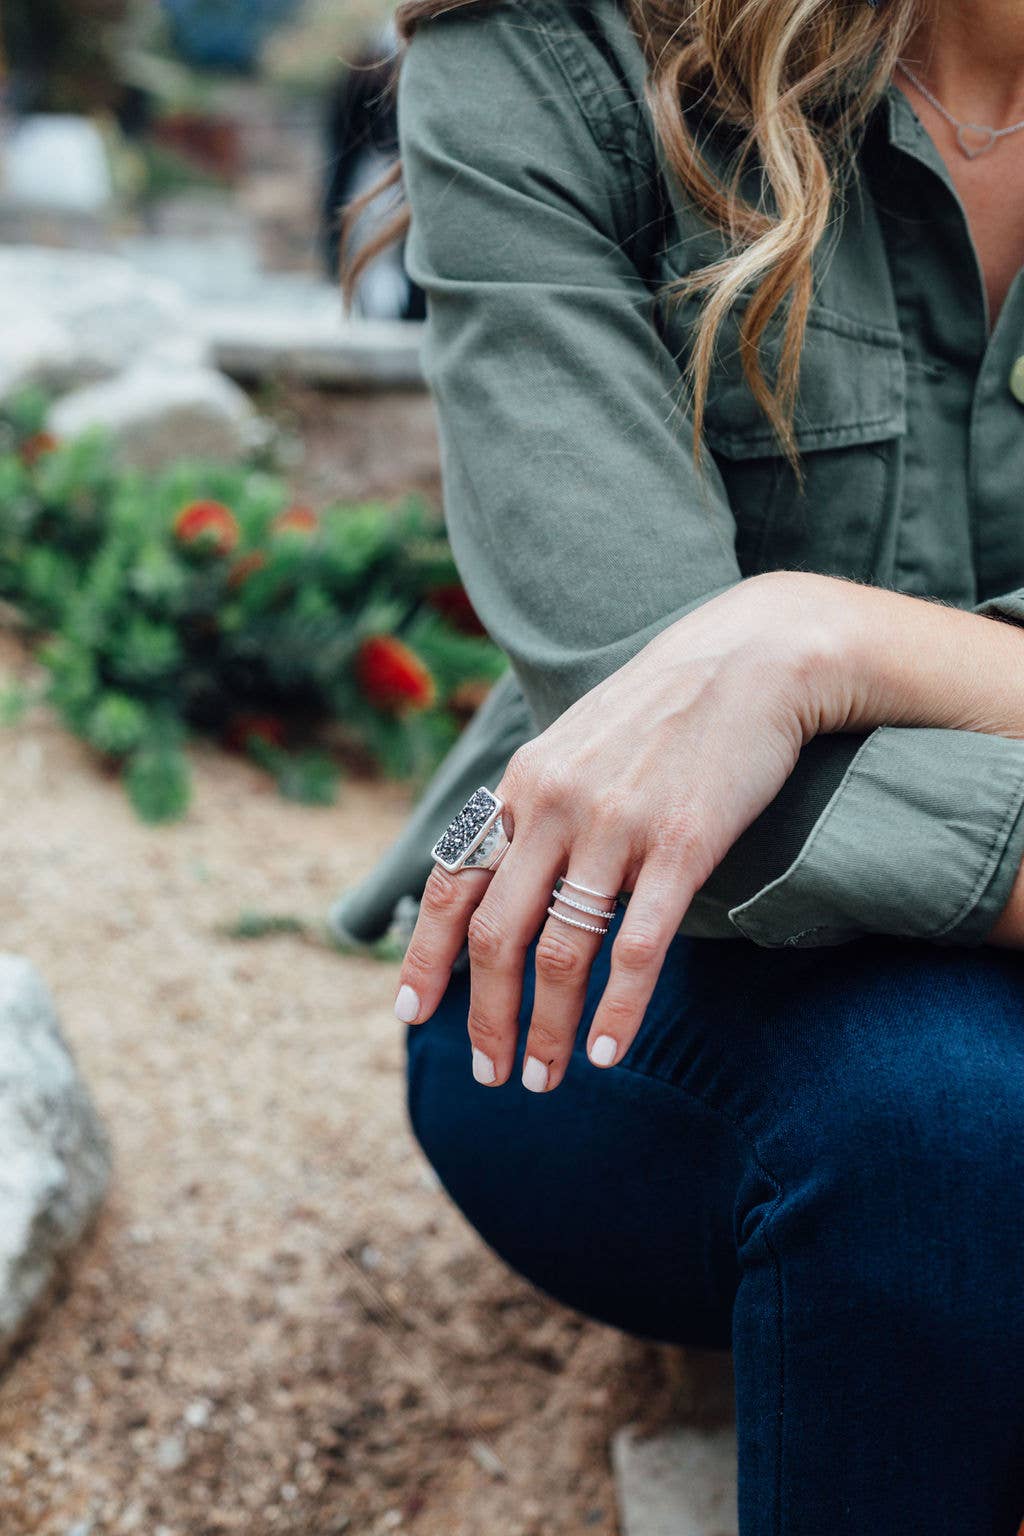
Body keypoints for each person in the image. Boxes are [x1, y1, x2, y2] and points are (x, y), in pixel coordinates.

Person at [339, 2, 1024, 1530]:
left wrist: (819, 641)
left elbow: (742, 702)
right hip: (615, 993)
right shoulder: (554, 49)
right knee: (942, 1110)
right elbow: (645, 739)